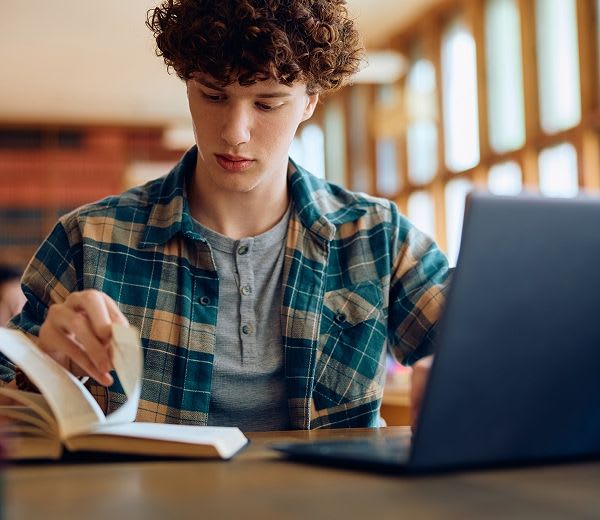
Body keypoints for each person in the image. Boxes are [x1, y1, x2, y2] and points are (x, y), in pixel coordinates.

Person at [0, 0, 449, 430]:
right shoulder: (89, 239)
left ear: (310, 101)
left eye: (267, 103)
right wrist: (40, 369)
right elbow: (8, 405)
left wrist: (461, 366)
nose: (235, 132)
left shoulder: (378, 238)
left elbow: (489, 342)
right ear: (188, 86)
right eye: (213, 96)